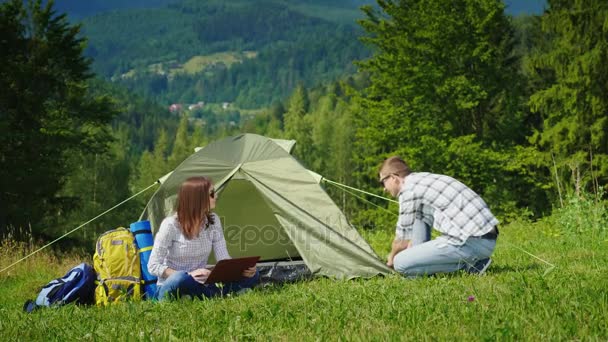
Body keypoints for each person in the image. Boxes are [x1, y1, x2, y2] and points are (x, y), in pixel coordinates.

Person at [379, 156, 499, 277]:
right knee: (418, 217)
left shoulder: (408, 190)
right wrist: (413, 249)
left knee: (400, 263)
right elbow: (418, 223)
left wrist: (391, 260)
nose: (384, 188)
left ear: (394, 178)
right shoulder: (422, 180)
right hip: (485, 238)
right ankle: (421, 267)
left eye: (383, 181)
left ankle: (471, 265)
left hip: (470, 243)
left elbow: (401, 240)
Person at [148, 176, 259, 301]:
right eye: (211, 194)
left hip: (202, 282)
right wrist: (189, 275)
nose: (216, 196)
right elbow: (153, 265)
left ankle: (199, 296)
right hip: (174, 283)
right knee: (180, 279)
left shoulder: (213, 221)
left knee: (253, 274)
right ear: (197, 199)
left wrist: (239, 270)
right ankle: (216, 295)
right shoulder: (170, 225)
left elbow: (223, 258)